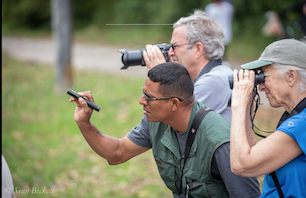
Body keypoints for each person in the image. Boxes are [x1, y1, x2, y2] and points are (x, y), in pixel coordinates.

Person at [69, 62, 261, 198]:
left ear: (174, 104)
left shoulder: (221, 142)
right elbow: (117, 153)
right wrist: (84, 124)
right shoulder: (156, 121)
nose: (141, 101)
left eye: (148, 97)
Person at [230, 39, 306, 197]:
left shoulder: (301, 124)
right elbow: (257, 160)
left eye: (264, 76)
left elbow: (241, 165)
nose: (261, 86)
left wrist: (238, 103)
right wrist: (247, 104)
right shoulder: (296, 116)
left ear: (291, 76)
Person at [142, 9, 232, 123]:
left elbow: (174, 122)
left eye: (174, 46)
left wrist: (160, 77)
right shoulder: (214, 74)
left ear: (198, 49)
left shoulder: (213, 81)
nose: (170, 52)